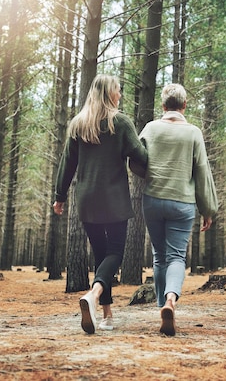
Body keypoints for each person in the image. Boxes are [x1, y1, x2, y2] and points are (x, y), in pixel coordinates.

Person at [53, 74, 147, 335]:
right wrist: (146, 145)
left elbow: (67, 164)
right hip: (113, 199)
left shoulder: (78, 124)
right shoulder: (120, 123)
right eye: (117, 90)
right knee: (115, 253)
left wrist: (60, 196)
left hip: (86, 200)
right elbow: (141, 155)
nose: (120, 95)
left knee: (101, 254)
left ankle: (106, 316)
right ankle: (94, 296)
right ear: (109, 94)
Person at [137, 83, 218, 336]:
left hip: (152, 199)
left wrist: (147, 175)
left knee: (159, 256)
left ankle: (162, 305)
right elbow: (202, 171)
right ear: (184, 106)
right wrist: (208, 209)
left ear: (163, 106)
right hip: (182, 202)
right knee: (176, 257)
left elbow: (137, 159)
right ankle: (171, 300)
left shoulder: (150, 128)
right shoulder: (193, 132)